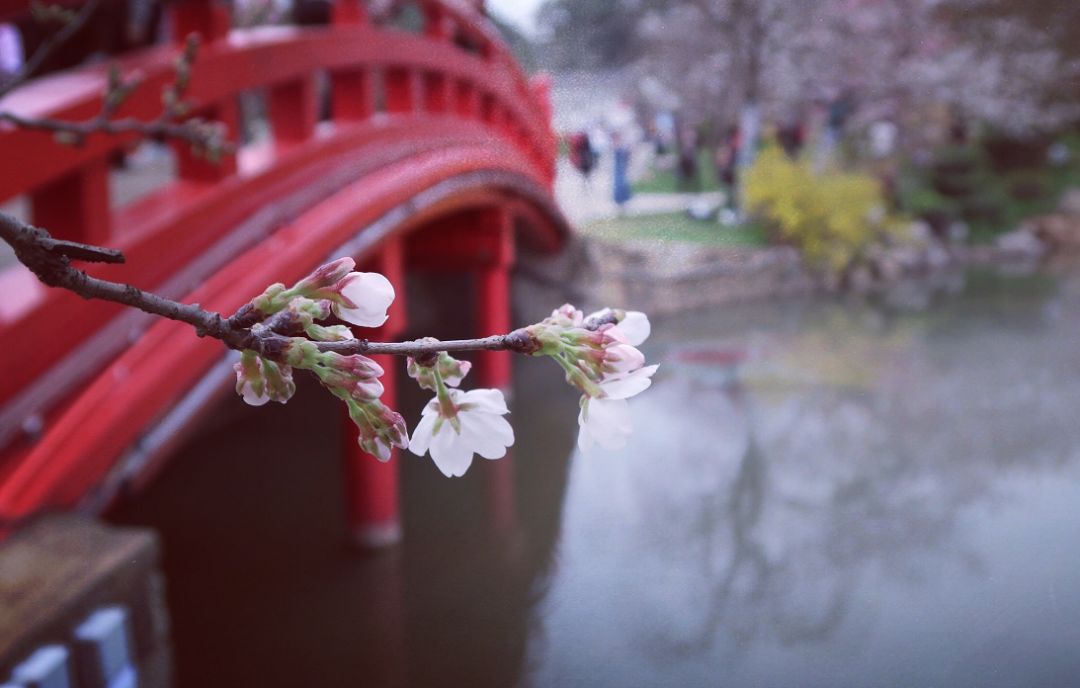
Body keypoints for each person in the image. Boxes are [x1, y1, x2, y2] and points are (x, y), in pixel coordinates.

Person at [612, 131, 632, 214]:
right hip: (618, 169)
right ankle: (620, 204)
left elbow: (627, 156)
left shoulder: (621, 145)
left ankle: (622, 203)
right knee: (619, 184)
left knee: (622, 184)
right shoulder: (616, 146)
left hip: (622, 168)